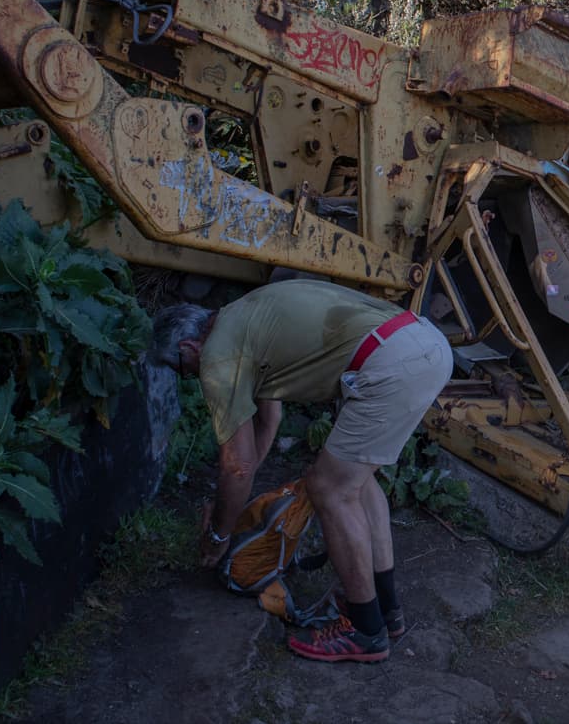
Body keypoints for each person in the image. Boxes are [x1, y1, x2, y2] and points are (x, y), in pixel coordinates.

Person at [146, 279, 452, 664]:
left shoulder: (218, 357)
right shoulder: (243, 317)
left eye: (182, 369)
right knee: (354, 482)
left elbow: (237, 466)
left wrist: (219, 534)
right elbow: (268, 419)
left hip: (392, 364)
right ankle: (385, 613)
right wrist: (240, 507)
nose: (189, 376)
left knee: (329, 488)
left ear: (188, 349)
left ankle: (365, 632)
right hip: (423, 344)